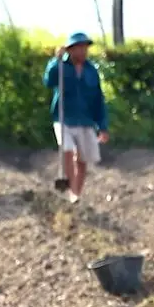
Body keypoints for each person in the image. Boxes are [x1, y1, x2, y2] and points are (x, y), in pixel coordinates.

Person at [44, 31, 108, 202]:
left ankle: (76, 194)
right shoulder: (60, 66)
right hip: (64, 118)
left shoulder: (91, 71)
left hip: (86, 120)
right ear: (70, 50)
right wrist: (54, 61)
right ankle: (72, 189)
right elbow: (48, 81)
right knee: (67, 149)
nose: (82, 52)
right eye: (78, 48)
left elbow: (98, 99)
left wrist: (102, 126)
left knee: (83, 160)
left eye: (84, 48)